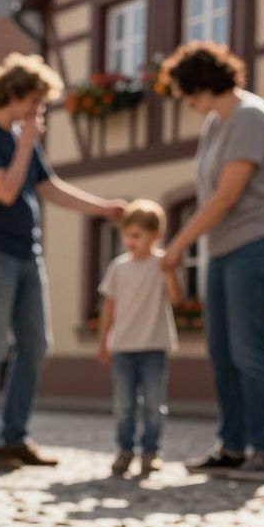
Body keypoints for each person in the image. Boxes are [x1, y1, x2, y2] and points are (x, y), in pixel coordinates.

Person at [0, 53, 127, 470]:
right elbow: (6, 191)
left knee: (35, 346)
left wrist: (104, 209)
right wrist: (27, 142)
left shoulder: (20, 138)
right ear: (14, 94)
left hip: (26, 253)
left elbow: (49, 188)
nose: (39, 111)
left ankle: (15, 437)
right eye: (36, 101)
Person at [158, 43, 264, 478]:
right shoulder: (216, 125)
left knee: (248, 347)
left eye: (186, 93)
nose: (186, 103)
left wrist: (178, 246)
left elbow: (227, 196)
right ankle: (232, 446)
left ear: (200, 85)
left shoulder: (250, 116)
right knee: (221, 350)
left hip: (256, 242)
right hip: (222, 248)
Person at [97, 201, 182, 477]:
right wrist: (102, 343)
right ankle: (124, 450)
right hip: (122, 347)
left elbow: (176, 299)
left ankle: (151, 451)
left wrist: (169, 272)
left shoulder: (161, 265)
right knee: (124, 404)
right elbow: (108, 308)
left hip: (154, 346)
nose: (130, 241)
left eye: (137, 235)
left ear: (154, 236)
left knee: (154, 404)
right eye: (127, 235)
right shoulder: (118, 268)